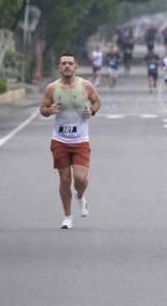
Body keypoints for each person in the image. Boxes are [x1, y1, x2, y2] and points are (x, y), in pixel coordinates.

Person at [40, 53, 101, 229]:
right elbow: (42, 109)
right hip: (59, 140)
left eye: (70, 63)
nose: (67, 66)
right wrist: (49, 110)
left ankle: (80, 196)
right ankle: (67, 216)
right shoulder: (52, 88)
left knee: (80, 179)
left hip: (80, 140)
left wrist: (92, 111)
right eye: (63, 63)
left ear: (76, 66)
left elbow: (97, 101)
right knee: (65, 179)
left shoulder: (86, 86)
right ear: (59, 67)